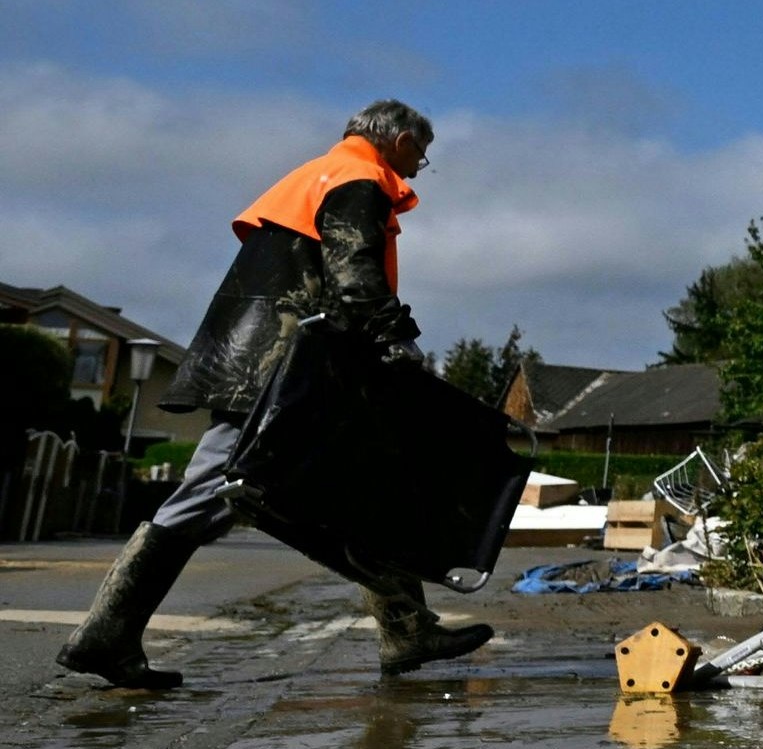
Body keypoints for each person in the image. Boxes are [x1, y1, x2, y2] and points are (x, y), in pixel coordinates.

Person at [63, 101, 494, 688]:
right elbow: (354, 272)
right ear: (396, 139)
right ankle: (105, 635)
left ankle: (406, 629)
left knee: (363, 493)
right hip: (284, 376)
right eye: (420, 151)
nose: (421, 164)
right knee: (208, 496)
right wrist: (396, 342)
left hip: (269, 365)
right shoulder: (360, 178)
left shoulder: (312, 174)